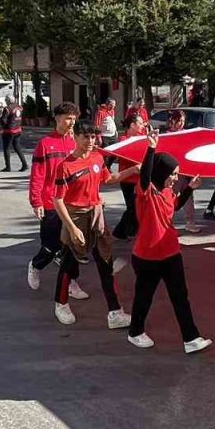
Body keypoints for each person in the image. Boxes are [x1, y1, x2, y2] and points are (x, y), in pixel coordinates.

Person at [126, 128, 211, 353]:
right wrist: (151, 148)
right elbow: (145, 174)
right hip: (147, 256)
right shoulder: (146, 191)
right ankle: (135, 332)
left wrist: (189, 189)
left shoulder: (167, 192)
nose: (176, 178)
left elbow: (175, 206)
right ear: (161, 172)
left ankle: (191, 338)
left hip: (171, 253)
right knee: (144, 297)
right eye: (173, 173)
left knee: (180, 296)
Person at [51, 119, 139, 327]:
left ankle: (115, 313)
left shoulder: (98, 158)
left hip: (96, 215)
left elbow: (109, 179)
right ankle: (60, 304)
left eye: (93, 137)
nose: (90, 141)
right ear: (75, 137)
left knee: (105, 264)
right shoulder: (65, 166)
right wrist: (72, 228)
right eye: (86, 137)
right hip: (75, 217)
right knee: (68, 264)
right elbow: (58, 200)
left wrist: (133, 170)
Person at [27, 101, 84, 296]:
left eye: (74, 119)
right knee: (51, 247)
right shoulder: (44, 144)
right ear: (57, 118)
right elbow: (37, 175)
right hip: (50, 203)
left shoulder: (75, 143)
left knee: (71, 246)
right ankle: (36, 265)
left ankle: (71, 283)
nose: (71, 123)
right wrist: (36, 201)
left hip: (71, 203)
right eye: (68, 118)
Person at [164, 110, 204, 234]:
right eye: (179, 120)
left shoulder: (186, 134)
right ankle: (167, 223)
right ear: (172, 121)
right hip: (173, 173)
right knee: (170, 199)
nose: (181, 123)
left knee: (189, 198)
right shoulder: (166, 135)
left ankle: (190, 222)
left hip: (186, 172)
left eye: (183, 121)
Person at [112, 113, 148, 240]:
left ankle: (130, 231)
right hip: (127, 179)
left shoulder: (141, 137)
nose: (143, 125)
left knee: (137, 206)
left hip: (139, 179)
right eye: (140, 122)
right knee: (132, 207)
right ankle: (120, 231)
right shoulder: (123, 140)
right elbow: (126, 157)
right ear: (132, 125)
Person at [0, 100, 28, 172]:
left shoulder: (7, 108)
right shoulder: (19, 107)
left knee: (6, 149)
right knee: (17, 148)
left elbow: (3, 119)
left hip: (9, 131)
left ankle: (8, 167)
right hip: (18, 130)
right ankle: (25, 164)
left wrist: (4, 126)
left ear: (7, 100)